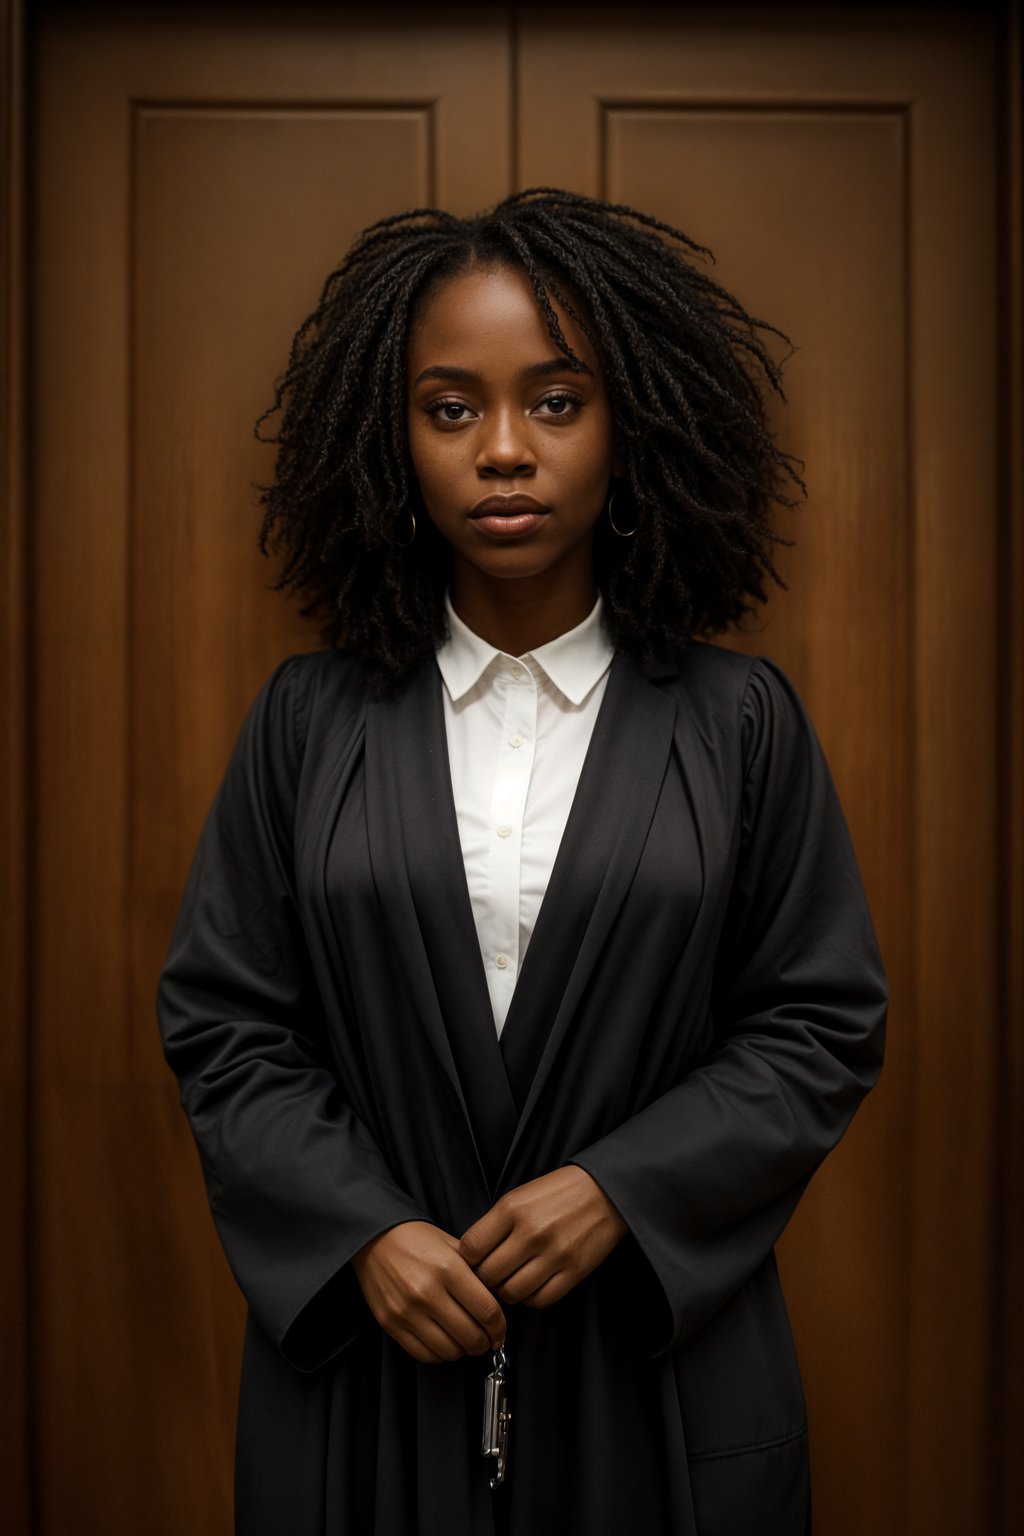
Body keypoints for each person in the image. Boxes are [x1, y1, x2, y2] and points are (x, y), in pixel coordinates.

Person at [157, 189, 887, 1536]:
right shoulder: (305, 725)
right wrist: (362, 1232)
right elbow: (226, 1024)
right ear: (395, 444)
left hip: (655, 1370)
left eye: (556, 402)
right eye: (451, 408)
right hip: (371, 1378)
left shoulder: (740, 723)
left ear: (634, 428)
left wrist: (625, 1188)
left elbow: (818, 1021)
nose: (503, 450)